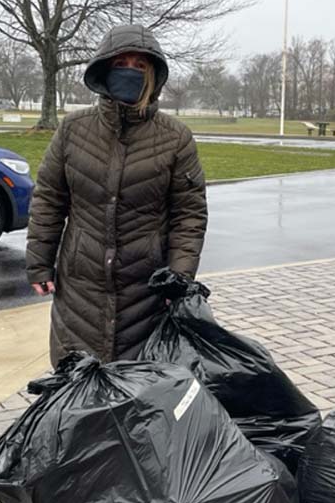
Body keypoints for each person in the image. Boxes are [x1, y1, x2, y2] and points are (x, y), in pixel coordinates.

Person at [26, 24, 208, 367]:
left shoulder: (176, 138)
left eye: (140, 66)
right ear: (105, 69)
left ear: (153, 74)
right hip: (80, 289)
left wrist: (179, 278)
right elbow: (49, 199)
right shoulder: (73, 130)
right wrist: (39, 263)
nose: (131, 71)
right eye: (122, 63)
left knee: (142, 403)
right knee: (78, 394)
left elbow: (189, 214)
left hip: (146, 294)